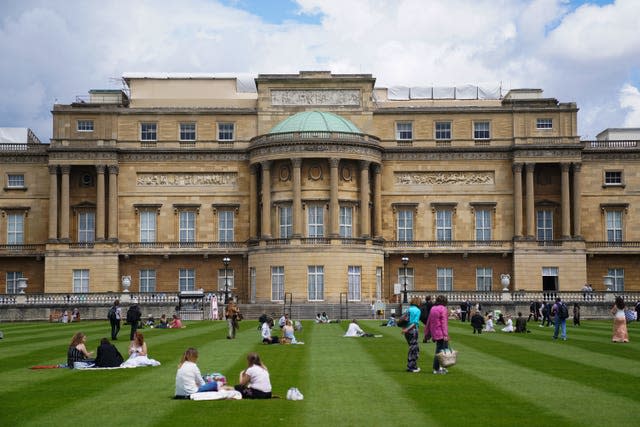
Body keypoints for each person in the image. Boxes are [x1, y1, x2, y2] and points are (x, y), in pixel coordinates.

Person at [425, 295, 450, 374]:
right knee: (440, 351)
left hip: (434, 332)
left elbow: (429, 321)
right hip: (441, 333)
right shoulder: (443, 309)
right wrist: (446, 335)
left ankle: (441, 367)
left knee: (442, 350)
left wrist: (427, 333)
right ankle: (436, 368)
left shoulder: (433, 308)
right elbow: (444, 323)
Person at [400, 297, 422, 373]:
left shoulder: (408, 309)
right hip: (412, 330)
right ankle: (411, 367)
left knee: (412, 347)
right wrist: (407, 329)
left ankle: (412, 366)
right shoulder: (417, 310)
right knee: (414, 348)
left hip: (407, 331)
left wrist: (404, 329)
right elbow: (415, 323)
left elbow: (403, 320)